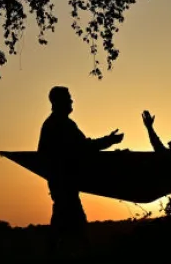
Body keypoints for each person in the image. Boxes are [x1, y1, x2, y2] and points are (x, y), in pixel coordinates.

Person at [38, 86, 124, 254]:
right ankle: (73, 254)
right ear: (58, 102)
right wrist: (109, 141)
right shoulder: (59, 124)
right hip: (63, 180)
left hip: (63, 180)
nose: (72, 101)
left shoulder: (58, 123)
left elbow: (81, 146)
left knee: (64, 216)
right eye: (68, 98)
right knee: (71, 216)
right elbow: (83, 147)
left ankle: (60, 253)